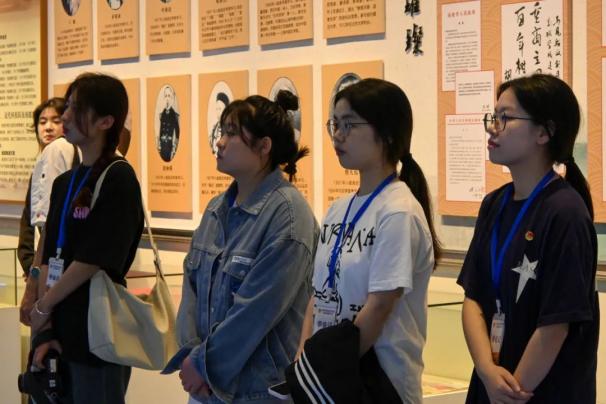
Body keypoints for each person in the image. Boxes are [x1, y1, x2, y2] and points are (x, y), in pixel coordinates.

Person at [163, 90, 318, 403]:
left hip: (256, 392)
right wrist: (192, 356)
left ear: (264, 146)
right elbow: (191, 289)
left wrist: (204, 365)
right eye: (222, 131)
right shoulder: (216, 209)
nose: (220, 142)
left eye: (232, 133)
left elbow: (256, 310)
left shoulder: (288, 216)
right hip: (204, 387)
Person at [457, 74, 599, 403]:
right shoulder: (494, 203)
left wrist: (511, 393)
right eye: (493, 117)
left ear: (544, 132)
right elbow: (473, 298)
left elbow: (556, 324)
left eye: (505, 118)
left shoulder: (565, 212)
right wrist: (486, 370)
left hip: (538, 392)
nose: (493, 128)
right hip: (491, 386)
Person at [298, 78, 441, 403]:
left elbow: (379, 306)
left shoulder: (398, 211)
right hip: (328, 381)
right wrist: (304, 366)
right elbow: (317, 297)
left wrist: (327, 371)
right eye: (335, 124)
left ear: (387, 134)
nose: (338, 135)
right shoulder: (337, 209)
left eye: (349, 125)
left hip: (376, 384)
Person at [29, 72, 144, 404]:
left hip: (96, 330)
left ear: (106, 121)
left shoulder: (119, 178)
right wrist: (44, 325)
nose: (65, 116)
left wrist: (44, 305)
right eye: (67, 106)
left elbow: (93, 259)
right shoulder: (65, 182)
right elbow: (50, 254)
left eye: (76, 108)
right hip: (59, 327)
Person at [19, 97, 79, 325]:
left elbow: (50, 227)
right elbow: (29, 223)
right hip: (43, 269)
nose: (49, 127)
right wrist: (31, 267)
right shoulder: (44, 162)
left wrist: (35, 276)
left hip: (55, 272)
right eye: (43, 121)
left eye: (56, 120)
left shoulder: (60, 153)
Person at [158, 85, 180, 162]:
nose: (167, 98)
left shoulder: (174, 115)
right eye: (166, 96)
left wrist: (175, 147)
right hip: (162, 146)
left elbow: (177, 133)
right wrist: (159, 143)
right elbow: (160, 130)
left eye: (169, 96)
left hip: (169, 146)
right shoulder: (162, 114)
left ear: (172, 99)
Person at [209, 91, 229, 156]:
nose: (218, 112)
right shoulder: (214, 128)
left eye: (220, 109)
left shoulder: (229, 129)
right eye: (217, 109)